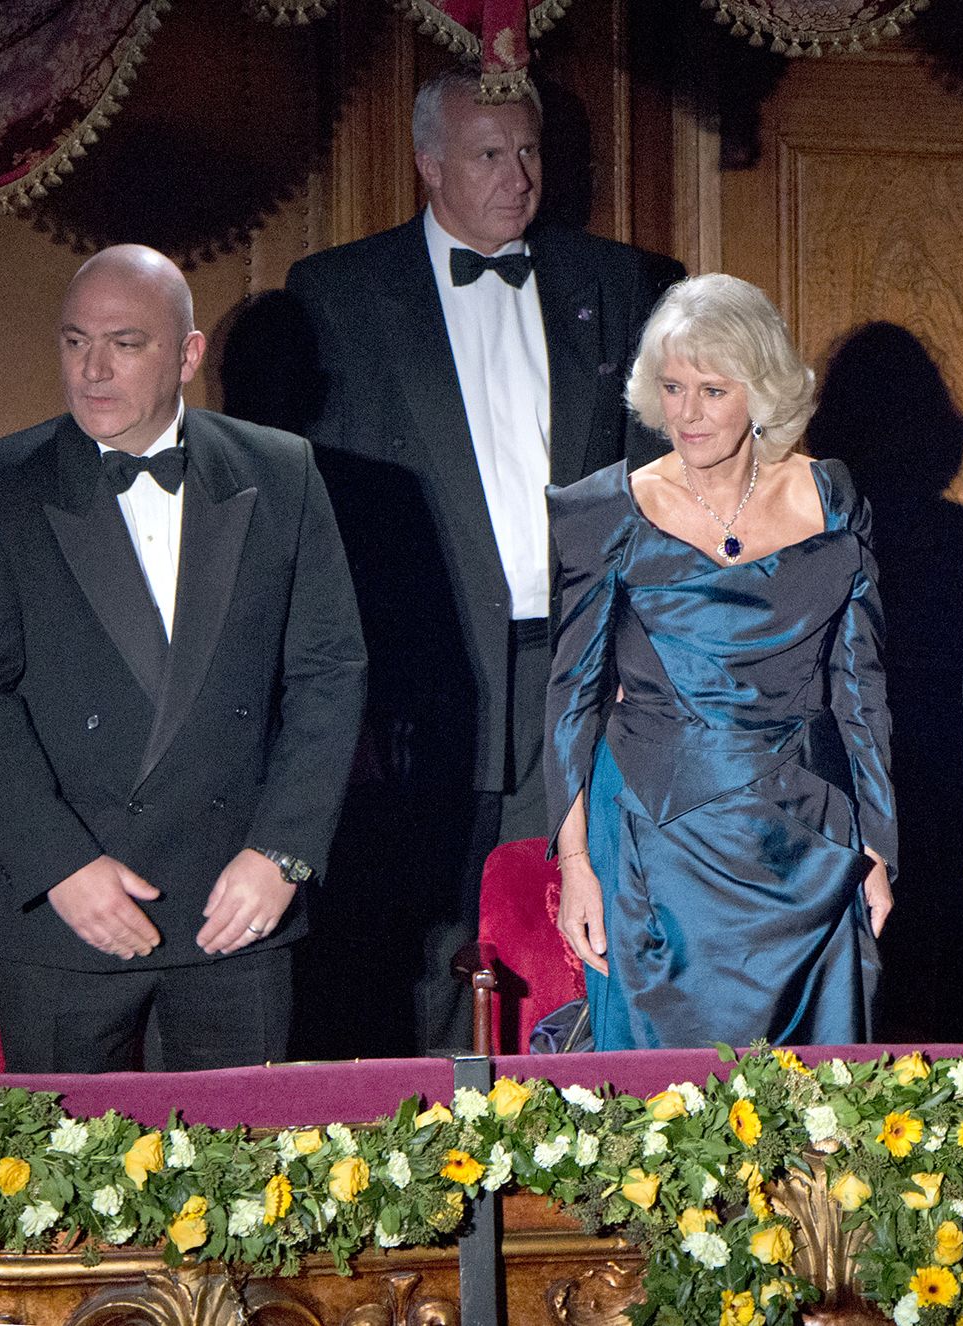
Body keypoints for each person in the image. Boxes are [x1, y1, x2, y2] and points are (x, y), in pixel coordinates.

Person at [284, 68, 683, 1054]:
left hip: (578, 668)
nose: (517, 178)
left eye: (530, 152)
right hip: (417, 682)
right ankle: (423, 1163)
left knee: (593, 913)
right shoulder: (339, 293)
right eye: (488, 155)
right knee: (422, 931)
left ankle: (582, 1161)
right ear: (428, 164)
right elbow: (315, 515)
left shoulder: (619, 283)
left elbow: (653, 487)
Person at [0, 245, 366, 1073]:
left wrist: (282, 854)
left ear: (189, 355)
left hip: (235, 912)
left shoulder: (281, 471)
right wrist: (60, 864)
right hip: (71, 917)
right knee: (60, 1193)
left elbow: (329, 674)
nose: (93, 369)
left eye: (126, 343)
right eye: (74, 341)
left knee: (244, 1184)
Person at [546, 273, 895, 1049]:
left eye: (712, 390)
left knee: (818, 1113)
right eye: (672, 388)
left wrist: (877, 843)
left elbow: (860, 687)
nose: (688, 414)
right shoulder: (609, 511)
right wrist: (575, 862)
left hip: (807, 840)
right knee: (663, 1116)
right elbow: (573, 697)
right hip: (655, 845)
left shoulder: (834, 498)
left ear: (762, 392)